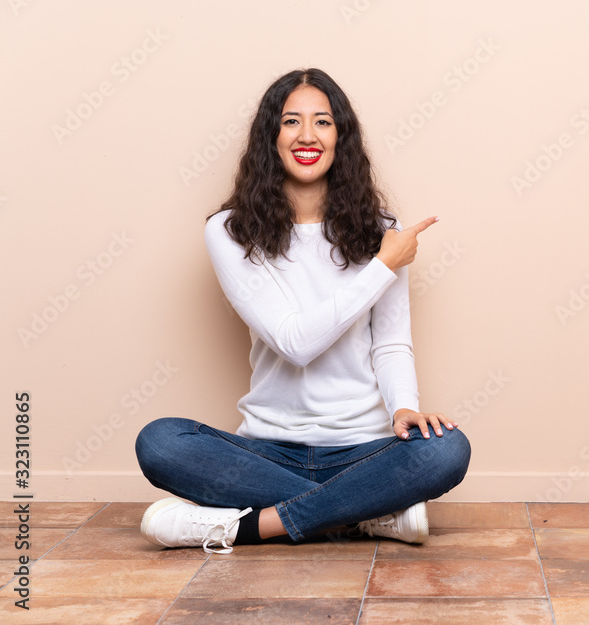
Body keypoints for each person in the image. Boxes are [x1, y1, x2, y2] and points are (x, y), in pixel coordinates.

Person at [134, 68, 471, 554]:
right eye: (291, 121)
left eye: (323, 122)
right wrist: (383, 266)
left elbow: (391, 343)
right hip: (265, 450)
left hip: (362, 450)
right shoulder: (230, 231)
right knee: (161, 442)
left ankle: (244, 528)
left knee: (447, 449)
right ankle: (365, 515)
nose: (307, 136)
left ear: (342, 138)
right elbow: (295, 344)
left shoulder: (384, 233)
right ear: (271, 136)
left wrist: (404, 409)